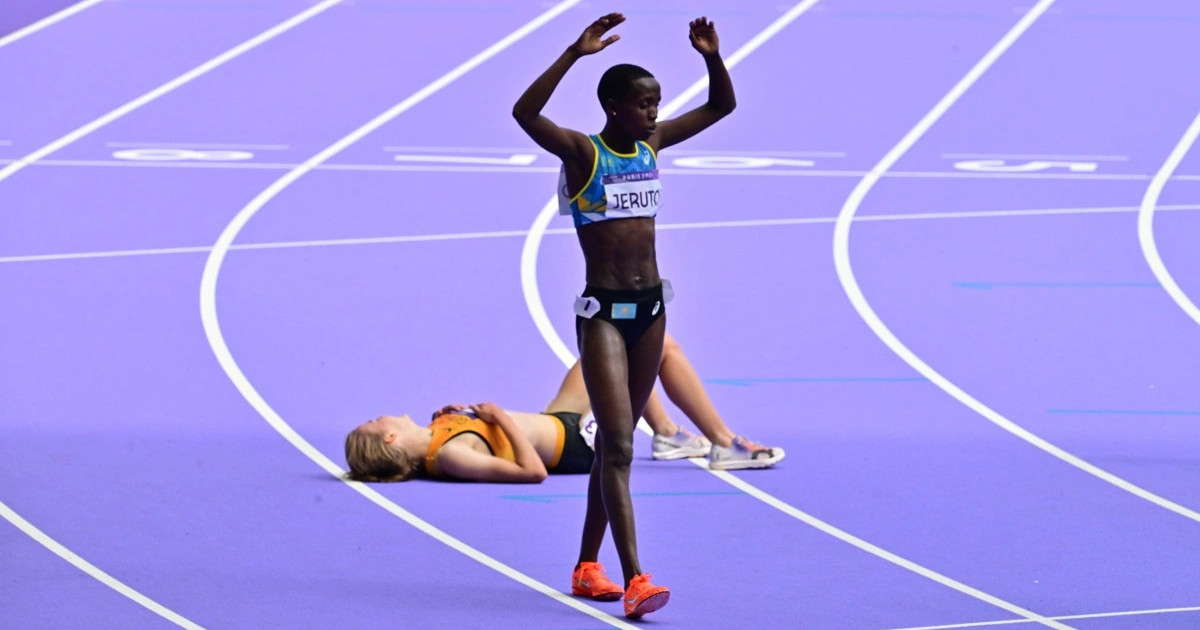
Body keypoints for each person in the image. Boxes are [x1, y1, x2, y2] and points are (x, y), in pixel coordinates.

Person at [510, 12, 735, 618]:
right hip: (605, 316)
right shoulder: (584, 153)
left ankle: (587, 567)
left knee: (616, 449)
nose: (654, 113)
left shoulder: (651, 145)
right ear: (613, 106)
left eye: (657, 102)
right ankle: (635, 579)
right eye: (643, 104)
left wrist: (711, 57)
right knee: (618, 445)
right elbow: (524, 114)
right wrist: (572, 53)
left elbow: (721, 107)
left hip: (652, 311)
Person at [343, 332, 784, 484]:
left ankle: (667, 434)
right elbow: (532, 472)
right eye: (374, 421)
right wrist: (499, 419)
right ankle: (725, 443)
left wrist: (462, 416)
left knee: (623, 344)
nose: (380, 413)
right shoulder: (450, 457)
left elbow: (482, 439)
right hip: (574, 445)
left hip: (555, 419)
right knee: (658, 347)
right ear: (390, 438)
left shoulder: (440, 435)